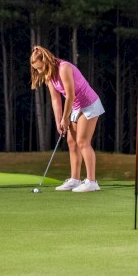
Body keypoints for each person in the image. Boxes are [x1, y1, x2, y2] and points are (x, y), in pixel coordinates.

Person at [30, 45, 105, 192]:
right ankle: (75, 180)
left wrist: (65, 118)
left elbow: (70, 96)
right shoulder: (49, 74)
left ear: (46, 61)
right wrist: (59, 121)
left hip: (89, 104)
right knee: (72, 142)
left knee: (82, 141)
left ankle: (92, 181)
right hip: (76, 107)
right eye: (36, 69)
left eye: (39, 68)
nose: (38, 71)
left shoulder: (63, 68)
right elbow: (55, 99)